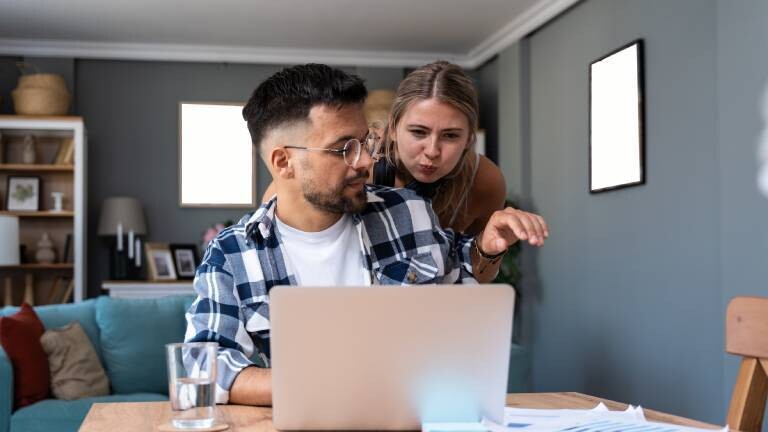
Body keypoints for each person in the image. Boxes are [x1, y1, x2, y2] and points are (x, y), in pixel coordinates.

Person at [184, 64, 548, 407]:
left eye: (364, 144)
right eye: (344, 149)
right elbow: (205, 367)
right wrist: (330, 384)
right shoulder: (233, 254)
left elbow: (461, 279)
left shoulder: (409, 212)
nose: (364, 162)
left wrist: (487, 245)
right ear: (283, 163)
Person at [262, 61, 546, 236]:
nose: (432, 150)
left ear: (470, 137)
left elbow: (469, 276)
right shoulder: (359, 165)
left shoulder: (484, 181)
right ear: (393, 127)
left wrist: (490, 247)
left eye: (450, 136)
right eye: (418, 132)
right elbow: (273, 221)